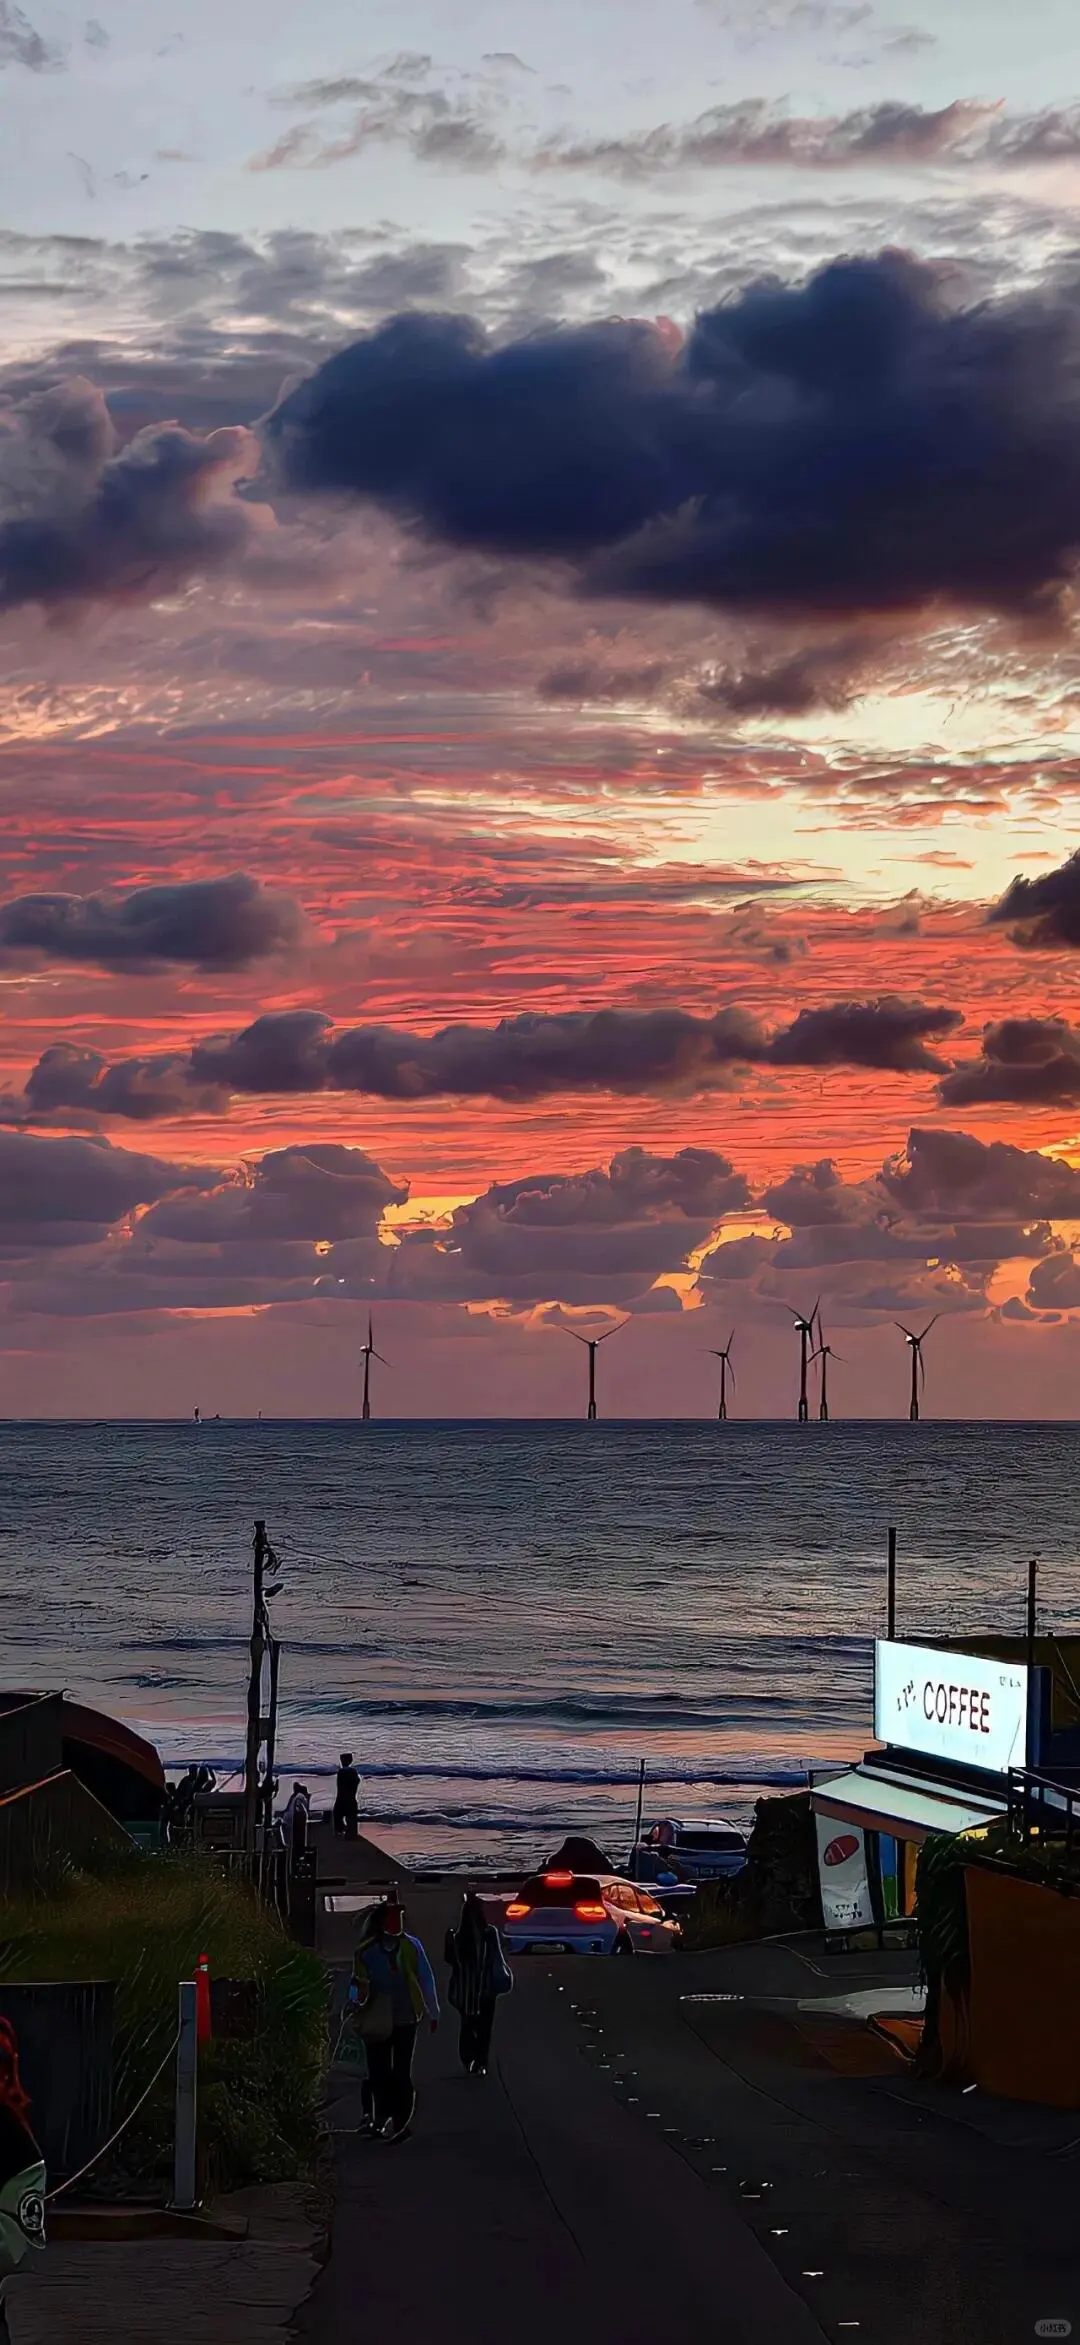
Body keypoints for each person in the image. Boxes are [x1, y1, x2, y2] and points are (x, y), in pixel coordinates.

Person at [351, 1898, 438, 2142]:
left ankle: (400, 2122)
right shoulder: (365, 1951)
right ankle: (382, 2119)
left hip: (406, 2016)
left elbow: (425, 1977)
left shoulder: (411, 1946)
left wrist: (434, 2011)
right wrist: (353, 2003)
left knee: (400, 2072)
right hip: (377, 2019)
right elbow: (356, 1983)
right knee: (379, 2072)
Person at [444, 1891, 513, 2076]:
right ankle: (481, 2061)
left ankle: (468, 2059)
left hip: (463, 1991)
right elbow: (497, 1959)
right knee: (484, 2028)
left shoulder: (455, 1937)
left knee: (467, 2025)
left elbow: (449, 1960)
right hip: (485, 1989)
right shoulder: (490, 1933)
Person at [333, 1752, 360, 1839]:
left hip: (342, 1797)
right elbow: (357, 1781)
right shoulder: (353, 1771)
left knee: (337, 1814)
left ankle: (340, 1831)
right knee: (351, 1817)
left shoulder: (342, 1771)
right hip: (351, 1797)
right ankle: (350, 1833)